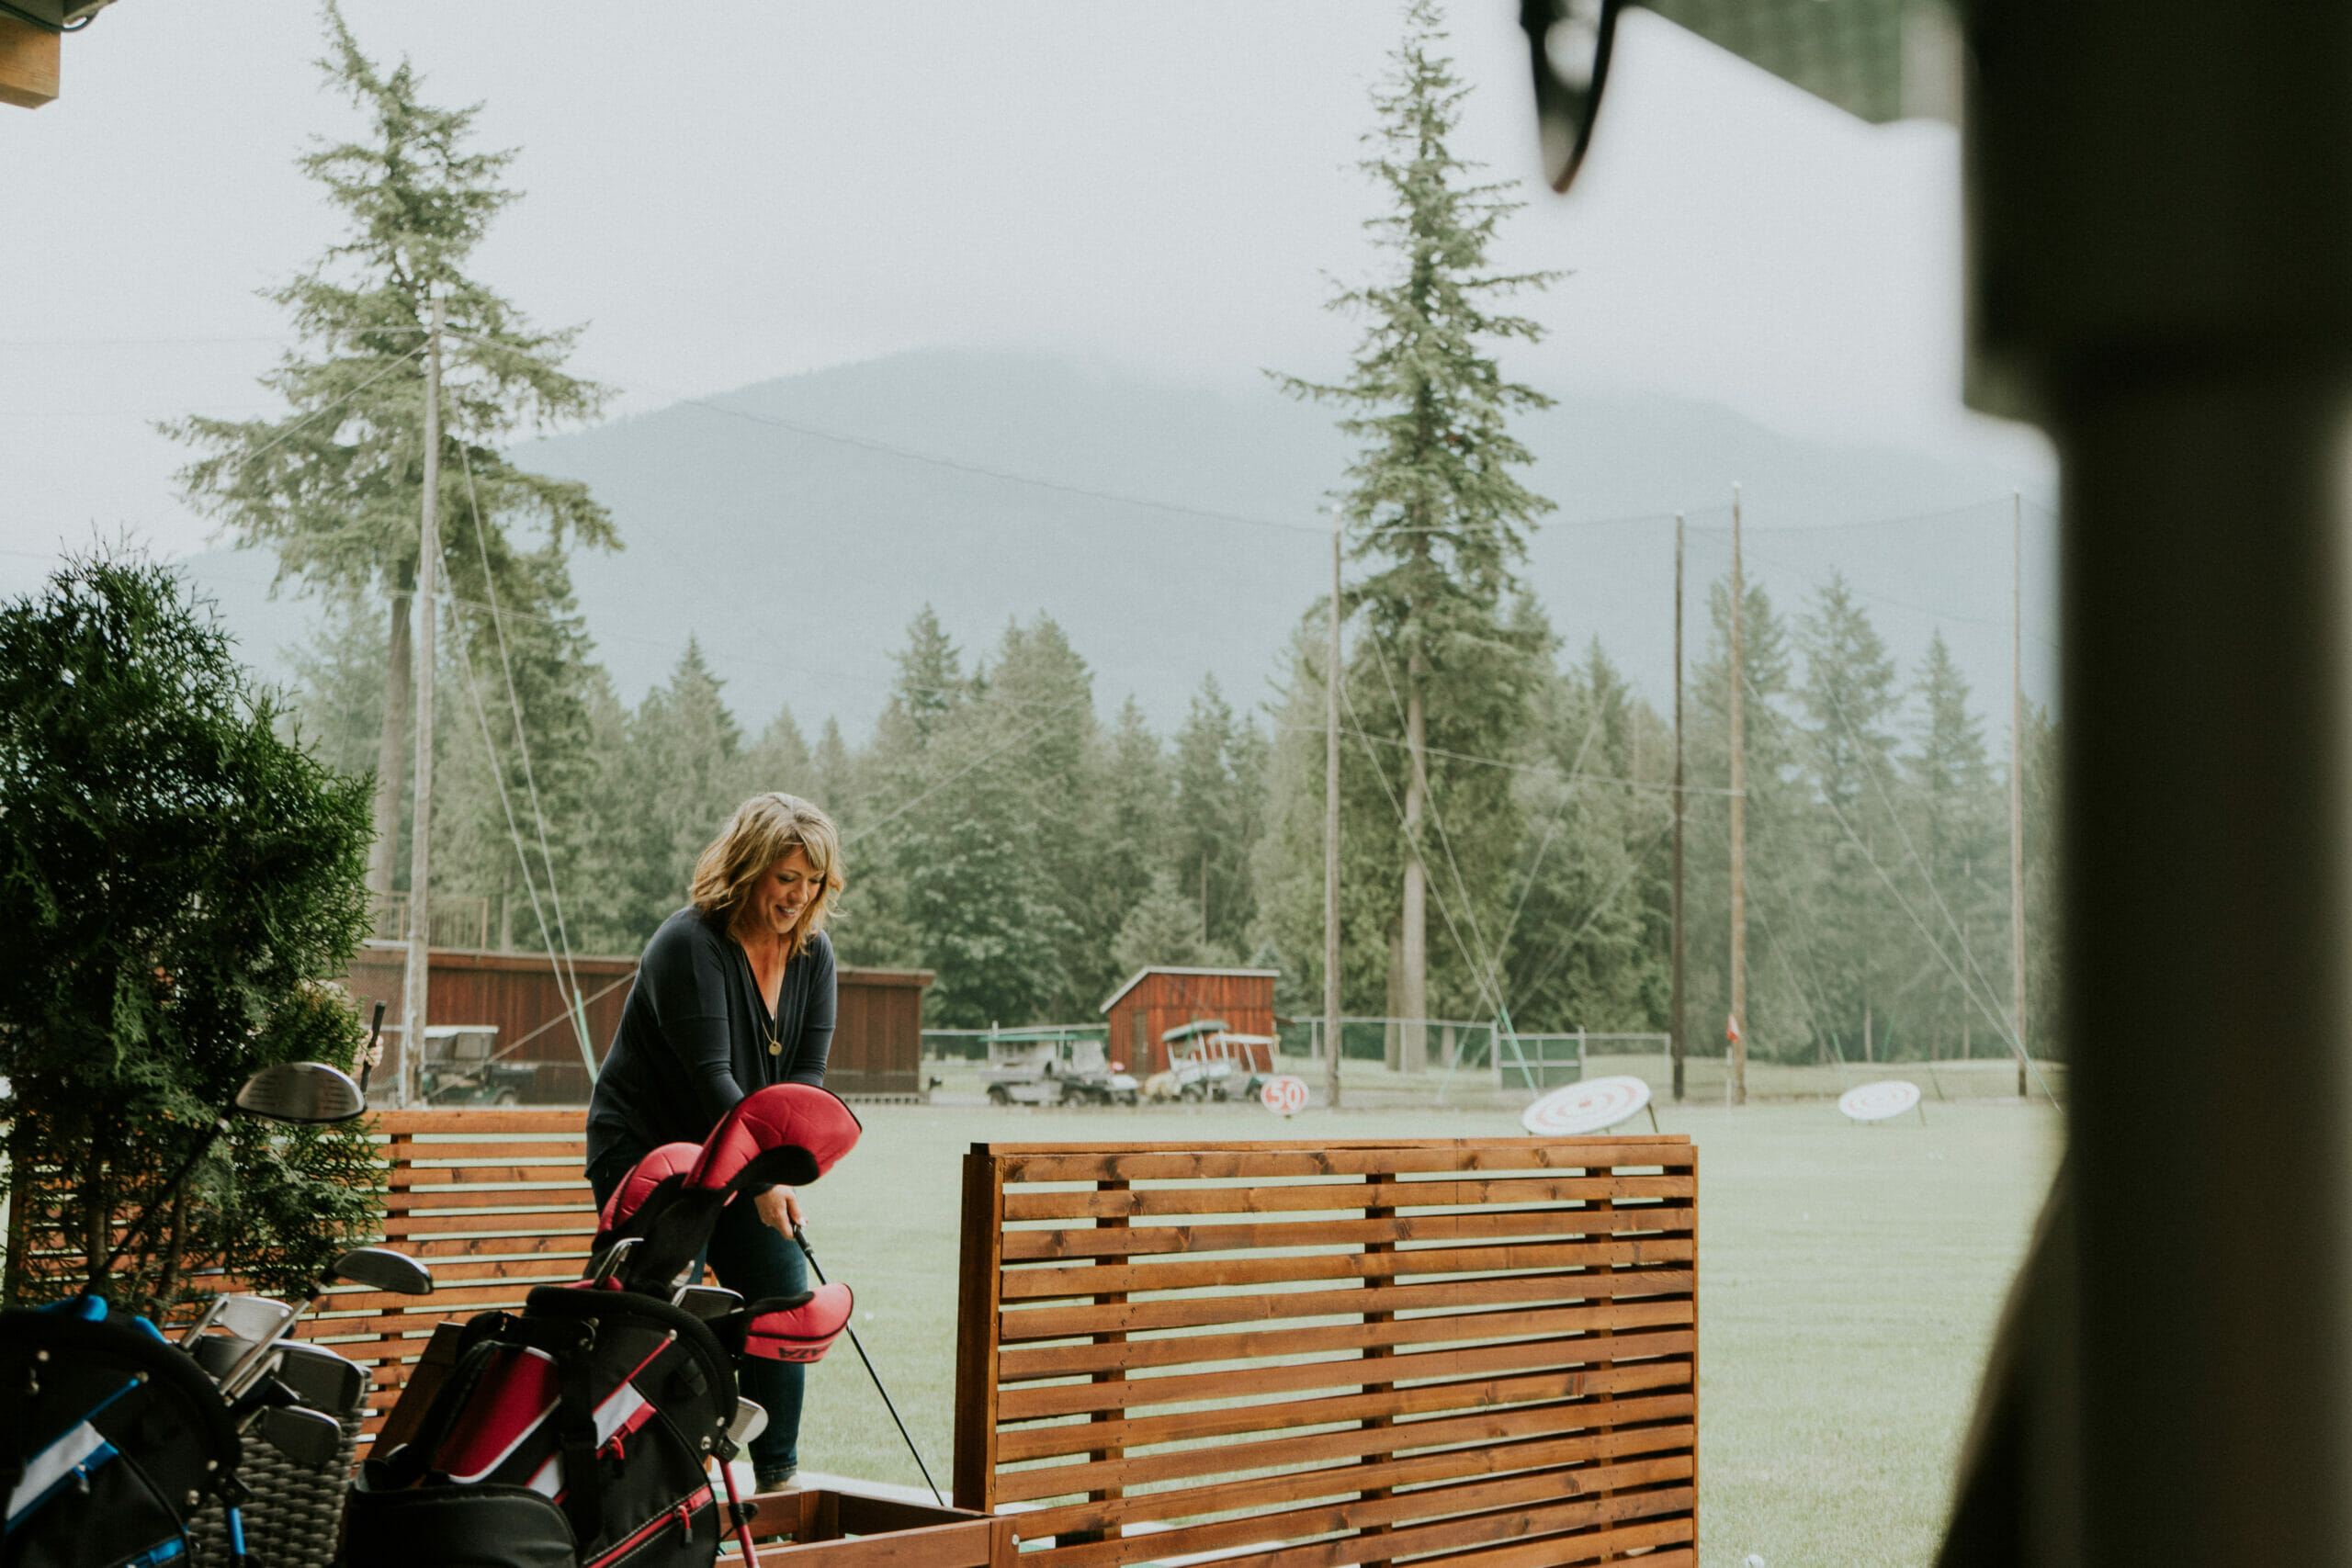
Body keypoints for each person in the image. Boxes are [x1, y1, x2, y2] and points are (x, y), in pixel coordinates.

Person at [584, 793, 843, 1492]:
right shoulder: (688, 943)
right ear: (749, 867)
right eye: (786, 877)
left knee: (781, 1293)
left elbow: (804, 1083)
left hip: (742, 1152)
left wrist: (775, 1170)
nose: (800, 895)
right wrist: (764, 1179)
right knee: (659, 1314)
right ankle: (636, 1487)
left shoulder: (814, 954)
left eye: (813, 880)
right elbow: (712, 1079)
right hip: (650, 1153)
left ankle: (779, 1478)